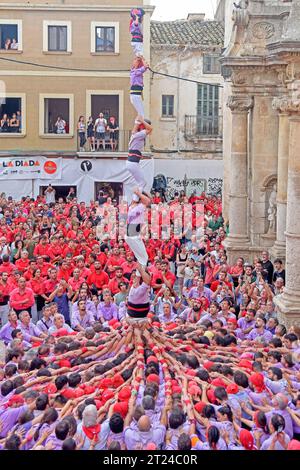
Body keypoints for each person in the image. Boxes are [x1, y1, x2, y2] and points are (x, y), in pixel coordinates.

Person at [126, 117, 152, 197]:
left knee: (141, 183)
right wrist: (142, 121)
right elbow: (150, 129)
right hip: (133, 163)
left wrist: (139, 121)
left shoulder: (136, 134)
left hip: (131, 162)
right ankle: (136, 199)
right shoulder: (140, 134)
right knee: (142, 183)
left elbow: (134, 129)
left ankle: (136, 198)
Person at [125, 189, 151, 267]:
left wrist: (138, 193)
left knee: (140, 258)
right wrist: (138, 193)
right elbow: (148, 200)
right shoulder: (140, 206)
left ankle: (138, 275)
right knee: (145, 258)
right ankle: (140, 274)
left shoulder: (132, 206)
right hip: (133, 233)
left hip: (130, 233)